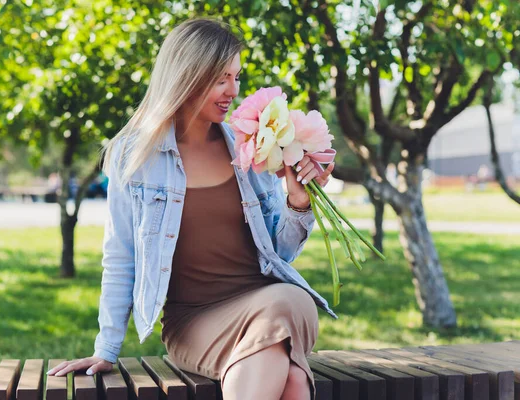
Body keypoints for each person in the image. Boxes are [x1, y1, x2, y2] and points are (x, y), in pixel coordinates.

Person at [46, 17, 336, 400]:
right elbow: (120, 257)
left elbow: (278, 253)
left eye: (236, 77)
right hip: (194, 321)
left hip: (267, 304)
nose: (233, 90)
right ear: (187, 75)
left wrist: (299, 202)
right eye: (221, 79)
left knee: (291, 301)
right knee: (293, 379)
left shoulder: (250, 148)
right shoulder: (133, 156)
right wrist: (107, 348)